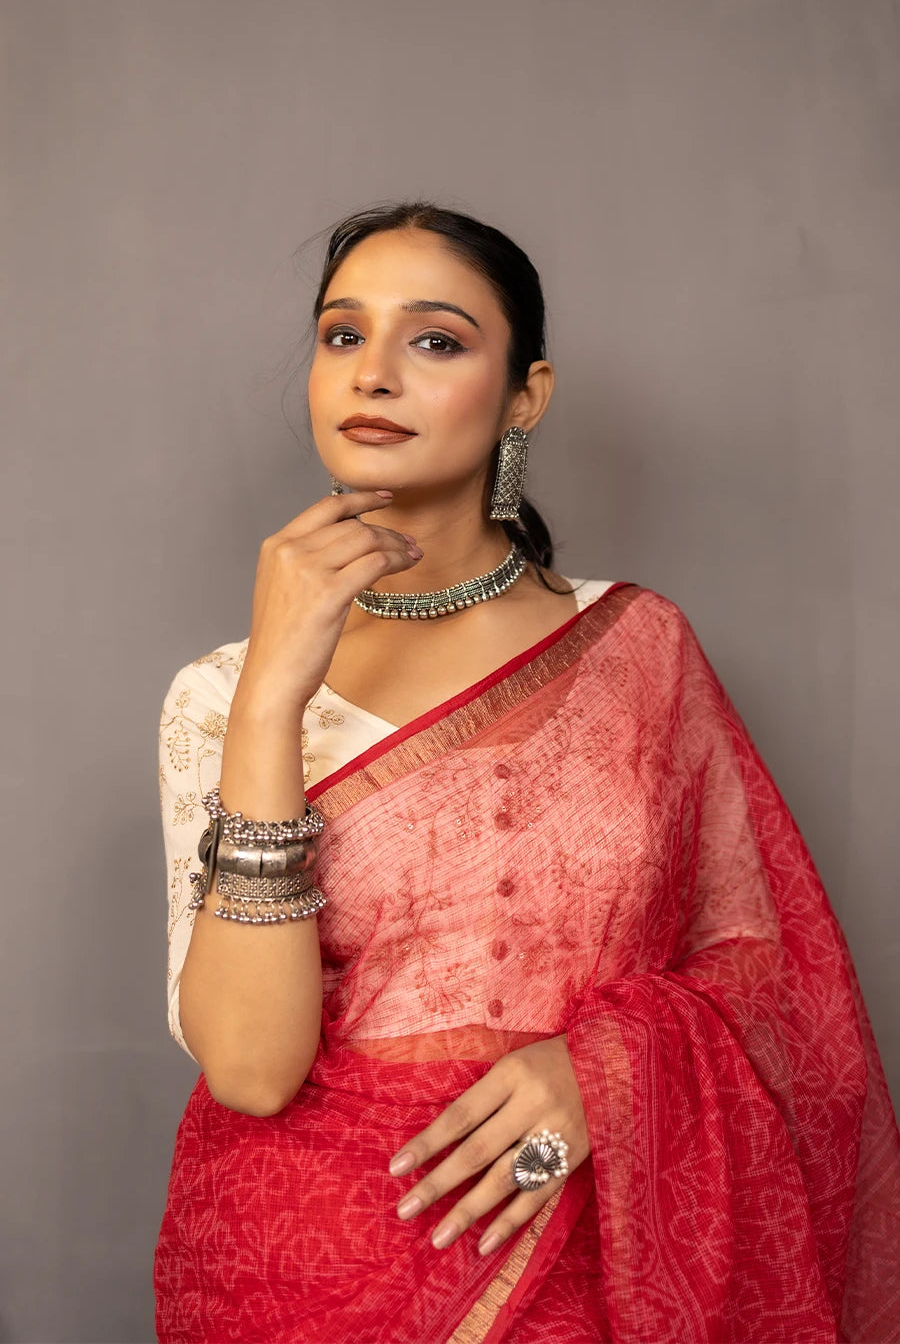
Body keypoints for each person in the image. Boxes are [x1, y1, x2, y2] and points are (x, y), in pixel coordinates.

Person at [154, 201, 900, 1343]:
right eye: (344, 336)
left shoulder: (636, 650)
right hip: (293, 1266)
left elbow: (769, 966)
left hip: (586, 1250)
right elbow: (253, 1071)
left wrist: (601, 1077)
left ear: (526, 396)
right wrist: (270, 700)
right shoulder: (222, 695)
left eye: (437, 341)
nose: (376, 375)